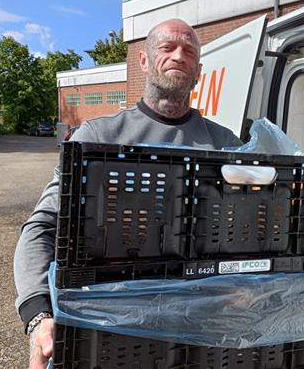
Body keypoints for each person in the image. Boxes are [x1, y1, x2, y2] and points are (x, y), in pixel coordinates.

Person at [14, 18, 243, 369]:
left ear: (199, 69)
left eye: (190, 51)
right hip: (109, 332)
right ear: (144, 61)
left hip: (203, 333)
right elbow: (42, 227)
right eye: (167, 47)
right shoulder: (98, 138)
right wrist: (37, 314)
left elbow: (251, 233)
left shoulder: (227, 146)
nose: (179, 56)